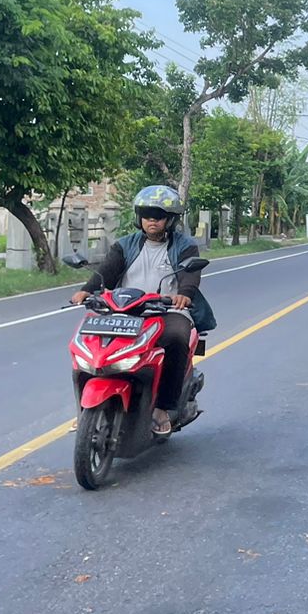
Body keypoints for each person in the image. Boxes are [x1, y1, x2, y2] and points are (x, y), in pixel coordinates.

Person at [70, 184, 217, 436]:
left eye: (159, 216)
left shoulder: (185, 246)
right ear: (140, 218)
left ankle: (163, 408)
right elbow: (107, 271)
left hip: (166, 310)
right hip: (125, 310)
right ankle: (84, 411)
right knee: (88, 343)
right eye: (147, 215)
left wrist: (184, 296)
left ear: (169, 220)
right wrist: (87, 290)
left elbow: (190, 276)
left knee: (177, 338)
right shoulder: (125, 245)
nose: (152, 221)